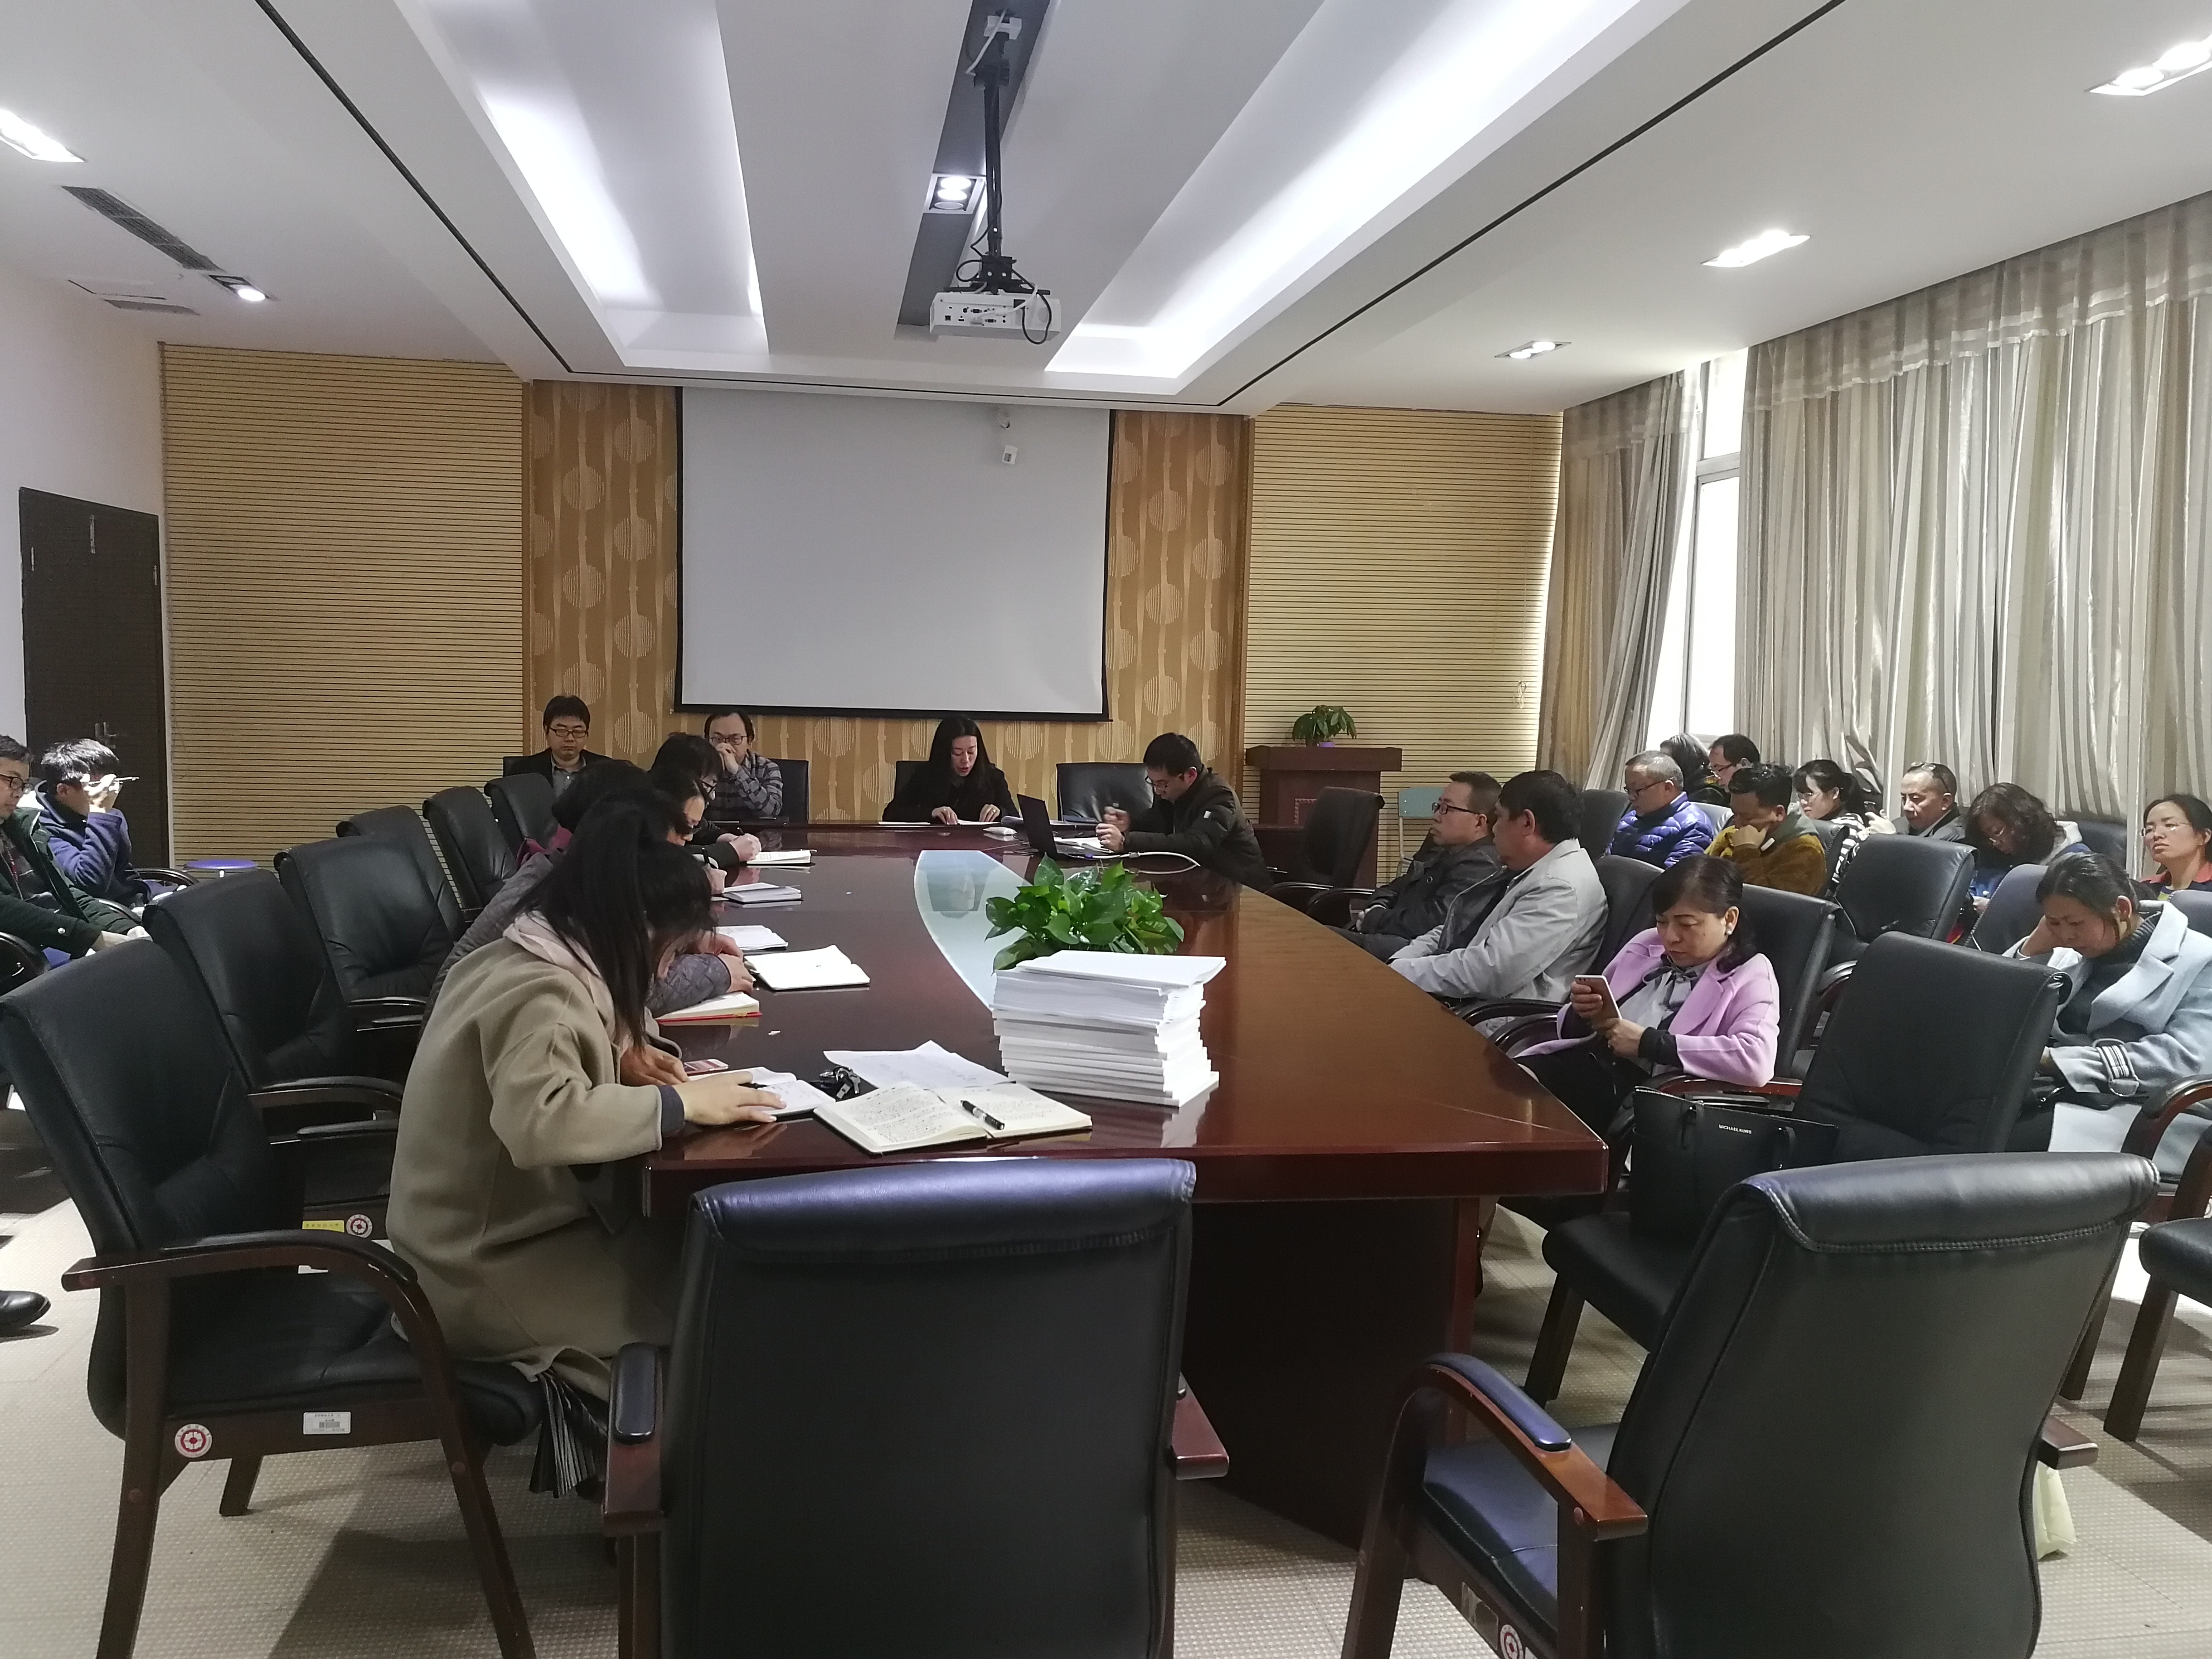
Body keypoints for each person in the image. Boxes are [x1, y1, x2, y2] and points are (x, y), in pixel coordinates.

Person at [389, 803, 783, 1418]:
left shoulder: (534, 950)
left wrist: (627, 1059)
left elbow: (582, 1043)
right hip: (479, 1267)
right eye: (671, 951)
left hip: (492, 1232)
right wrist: (678, 1102)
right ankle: (664, 1453)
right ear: (635, 929)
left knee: (711, 1259)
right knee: (718, 1295)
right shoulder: (544, 993)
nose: (666, 968)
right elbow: (542, 1122)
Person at [434, 761, 751, 1012]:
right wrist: (718, 972)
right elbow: (635, 990)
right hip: (468, 1030)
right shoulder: (565, 893)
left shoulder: (578, 871)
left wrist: (684, 941)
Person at [1517, 856, 1779, 1132]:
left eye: (1687, 924)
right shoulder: (1647, 944)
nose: (1670, 937)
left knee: (1524, 1107)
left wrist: (1651, 1044)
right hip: (1588, 1065)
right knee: (1509, 1082)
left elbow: (1755, 1060)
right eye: (1662, 922)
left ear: (1729, 919)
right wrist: (1583, 1012)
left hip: (1647, 1100)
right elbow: (1581, 1029)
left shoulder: (1750, 974)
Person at [2007, 853, 2212, 1171]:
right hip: (2057, 1091)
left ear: (2122, 909)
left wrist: (2054, 1061)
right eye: (2054, 923)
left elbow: (2184, 1061)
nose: (2065, 935)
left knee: (1999, 1136)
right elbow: (1997, 1006)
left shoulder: (2201, 960)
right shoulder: (2070, 950)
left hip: (2146, 1111)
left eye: (2075, 923)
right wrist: (2033, 947)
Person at [1391, 770, 1604, 1004]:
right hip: (1468, 1000)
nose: (1493, 829)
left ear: (1527, 823)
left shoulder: (1560, 888)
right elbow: (1461, 926)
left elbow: (1490, 972)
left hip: (1492, 1017)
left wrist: (1403, 971)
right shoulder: (1533, 867)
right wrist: (1404, 960)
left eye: (1499, 817)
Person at [1338, 772, 1507, 960]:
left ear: (1479, 822)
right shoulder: (1442, 848)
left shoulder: (1480, 864)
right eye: (1438, 806)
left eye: (1447, 809)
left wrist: (1376, 919)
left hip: (1409, 954)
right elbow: (1397, 886)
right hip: (1385, 936)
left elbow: (1434, 922)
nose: (1436, 816)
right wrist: (1378, 906)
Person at [0, 736, 139, 963]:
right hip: (21, 955)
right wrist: (92, 937)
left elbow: (69, 892)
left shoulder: (20, 826)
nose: (19, 792)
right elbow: (6, 909)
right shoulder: (41, 822)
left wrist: (127, 928)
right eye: (13, 781)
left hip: (57, 939)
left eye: (23, 784)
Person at [1097, 733, 1273, 890]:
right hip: (1196, 885)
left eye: (1163, 784)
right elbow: (1158, 823)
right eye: (1152, 782)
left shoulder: (1219, 796)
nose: (1157, 790)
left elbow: (1196, 844)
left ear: (1190, 775)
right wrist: (1131, 823)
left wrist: (1126, 841)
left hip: (1242, 891)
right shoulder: (1171, 792)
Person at [33, 738, 162, 908]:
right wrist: (100, 813)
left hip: (134, 901)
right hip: (102, 911)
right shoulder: (41, 826)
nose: (110, 792)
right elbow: (90, 884)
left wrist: (152, 895)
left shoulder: (111, 815)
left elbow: (124, 872)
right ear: (63, 790)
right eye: (97, 786)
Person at [1708, 763, 1827, 894]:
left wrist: (1746, 851)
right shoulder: (1732, 834)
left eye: (1747, 817)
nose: (1737, 824)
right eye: (1734, 814)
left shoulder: (1806, 853)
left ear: (1779, 813)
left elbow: (1763, 902)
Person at [1964, 782, 2088, 903]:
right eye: (1988, 839)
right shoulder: (2002, 859)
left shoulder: (2074, 859)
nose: (1995, 843)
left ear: (2021, 820)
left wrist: (1993, 908)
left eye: (1997, 832)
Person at [651, 734, 763, 866]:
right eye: (708, 786)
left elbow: (704, 829)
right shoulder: (644, 809)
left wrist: (725, 838)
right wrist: (732, 851)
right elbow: (668, 855)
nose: (712, 796)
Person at [885, 716, 1018, 824]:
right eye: (958, 753)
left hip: (982, 846)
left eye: (971, 752)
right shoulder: (925, 776)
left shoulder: (994, 777)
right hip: (935, 845)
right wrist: (931, 813)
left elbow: (1017, 820)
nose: (966, 760)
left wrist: (1001, 812)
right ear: (944, 752)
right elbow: (891, 814)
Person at [1607, 751, 1714, 869]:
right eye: (1629, 790)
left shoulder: (1694, 827)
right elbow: (1606, 864)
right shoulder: (1630, 818)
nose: (1631, 798)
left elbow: (1676, 878)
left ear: (1668, 788)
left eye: (1638, 790)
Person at [1793, 758, 1880, 894]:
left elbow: (1835, 879)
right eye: (1800, 795)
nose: (1803, 802)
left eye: (1809, 795)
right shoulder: (1807, 819)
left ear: (1834, 793)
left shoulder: (1849, 825)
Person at [507, 696, 607, 799]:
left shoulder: (607, 771)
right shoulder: (522, 771)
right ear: (546, 730)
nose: (570, 738)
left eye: (578, 731)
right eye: (562, 731)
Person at [704, 709, 784, 822]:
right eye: (718, 739)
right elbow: (686, 812)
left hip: (753, 832)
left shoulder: (767, 768)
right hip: (709, 832)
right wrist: (709, 774)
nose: (726, 746)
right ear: (707, 740)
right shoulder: (696, 766)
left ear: (749, 741)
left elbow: (771, 812)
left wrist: (737, 771)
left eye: (735, 739)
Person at [2142, 793, 2212, 894]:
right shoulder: (2143, 889)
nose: (2156, 835)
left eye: (2169, 825)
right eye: (2149, 830)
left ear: (2204, 836)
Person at [1898, 762, 1964, 841]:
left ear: (1945, 801)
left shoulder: (1954, 840)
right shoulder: (1899, 825)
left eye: (1916, 799)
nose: (1906, 807)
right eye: (1904, 799)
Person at [1690, 734, 1759, 806]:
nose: (1716, 778)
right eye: (1713, 770)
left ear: (1744, 765)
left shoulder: (1764, 803)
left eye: (1720, 769)